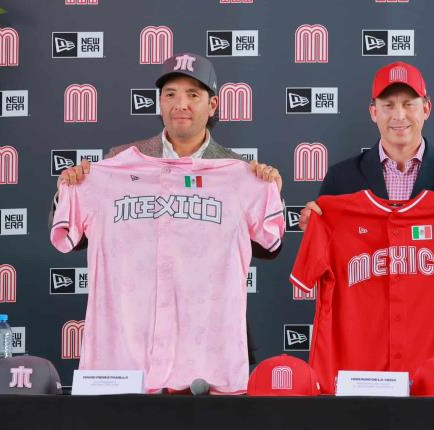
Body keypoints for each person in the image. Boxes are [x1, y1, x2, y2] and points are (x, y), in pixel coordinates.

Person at [50, 52, 283, 365]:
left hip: (208, 342)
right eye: (170, 94)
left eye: (192, 94)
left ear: (212, 104)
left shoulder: (239, 170)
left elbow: (268, 248)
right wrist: (69, 191)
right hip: (133, 338)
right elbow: (76, 237)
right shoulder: (118, 160)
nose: (180, 104)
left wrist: (269, 195)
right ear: (159, 102)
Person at [299, 61, 434, 275]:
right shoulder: (340, 179)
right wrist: (314, 233)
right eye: (388, 105)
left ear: (426, 109)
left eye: (408, 104)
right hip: (367, 308)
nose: (398, 115)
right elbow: (323, 266)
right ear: (373, 112)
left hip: (432, 308)